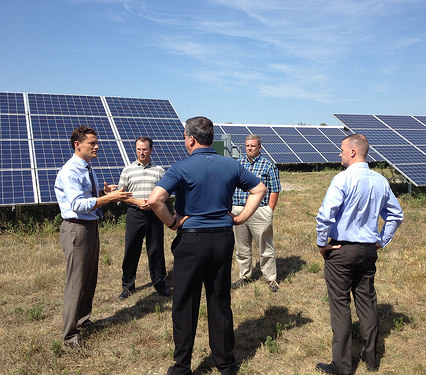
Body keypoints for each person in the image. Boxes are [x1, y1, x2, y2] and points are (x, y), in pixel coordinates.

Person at [148, 116, 267, 375]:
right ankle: (225, 364)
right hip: (223, 239)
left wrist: (172, 222)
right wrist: (240, 218)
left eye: (184, 137)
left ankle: (182, 367)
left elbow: (155, 199)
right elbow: (259, 189)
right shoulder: (231, 165)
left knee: (185, 303)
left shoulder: (180, 167)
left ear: (191, 139)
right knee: (220, 300)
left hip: (192, 241)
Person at [315, 134, 404, 375]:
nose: (339, 153)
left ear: (353, 152)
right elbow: (396, 215)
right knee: (367, 302)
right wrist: (380, 241)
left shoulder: (342, 179)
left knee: (340, 305)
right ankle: (372, 359)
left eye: (342, 149)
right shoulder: (380, 180)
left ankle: (342, 366)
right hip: (367, 251)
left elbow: (325, 215)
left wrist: (322, 243)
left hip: (342, 250)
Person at [54, 125, 132, 347]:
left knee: (89, 279)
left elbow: (85, 196)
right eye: (92, 143)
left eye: (96, 143)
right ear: (78, 145)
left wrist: (103, 194)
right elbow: (77, 204)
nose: (97, 146)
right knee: (76, 282)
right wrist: (108, 199)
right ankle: (69, 335)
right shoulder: (70, 171)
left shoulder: (87, 167)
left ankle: (83, 321)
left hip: (90, 227)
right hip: (76, 229)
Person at [117, 136, 170, 299]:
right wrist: (137, 202)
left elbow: (166, 193)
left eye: (145, 149)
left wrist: (154, 204)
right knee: (131, 249)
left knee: (156, 250)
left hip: (155, 214)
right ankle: (128, 286)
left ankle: (159, 284)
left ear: (151, 150)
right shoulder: (128, 170)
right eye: (139, 149)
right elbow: (120, 195)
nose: (141, 152)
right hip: (135, 213)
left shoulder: (159, 170)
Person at [231, 134, 281, 292]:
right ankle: (244, 275)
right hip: (239, 209)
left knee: (265, 246)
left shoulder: (268, 166)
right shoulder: (238, 164)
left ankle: (270, 277)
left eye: (252, 146)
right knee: (241, 246)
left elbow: (274, 190)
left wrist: (269, 209)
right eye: (247, 146)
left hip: (260, 211)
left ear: (259, 147)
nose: (249, 148)